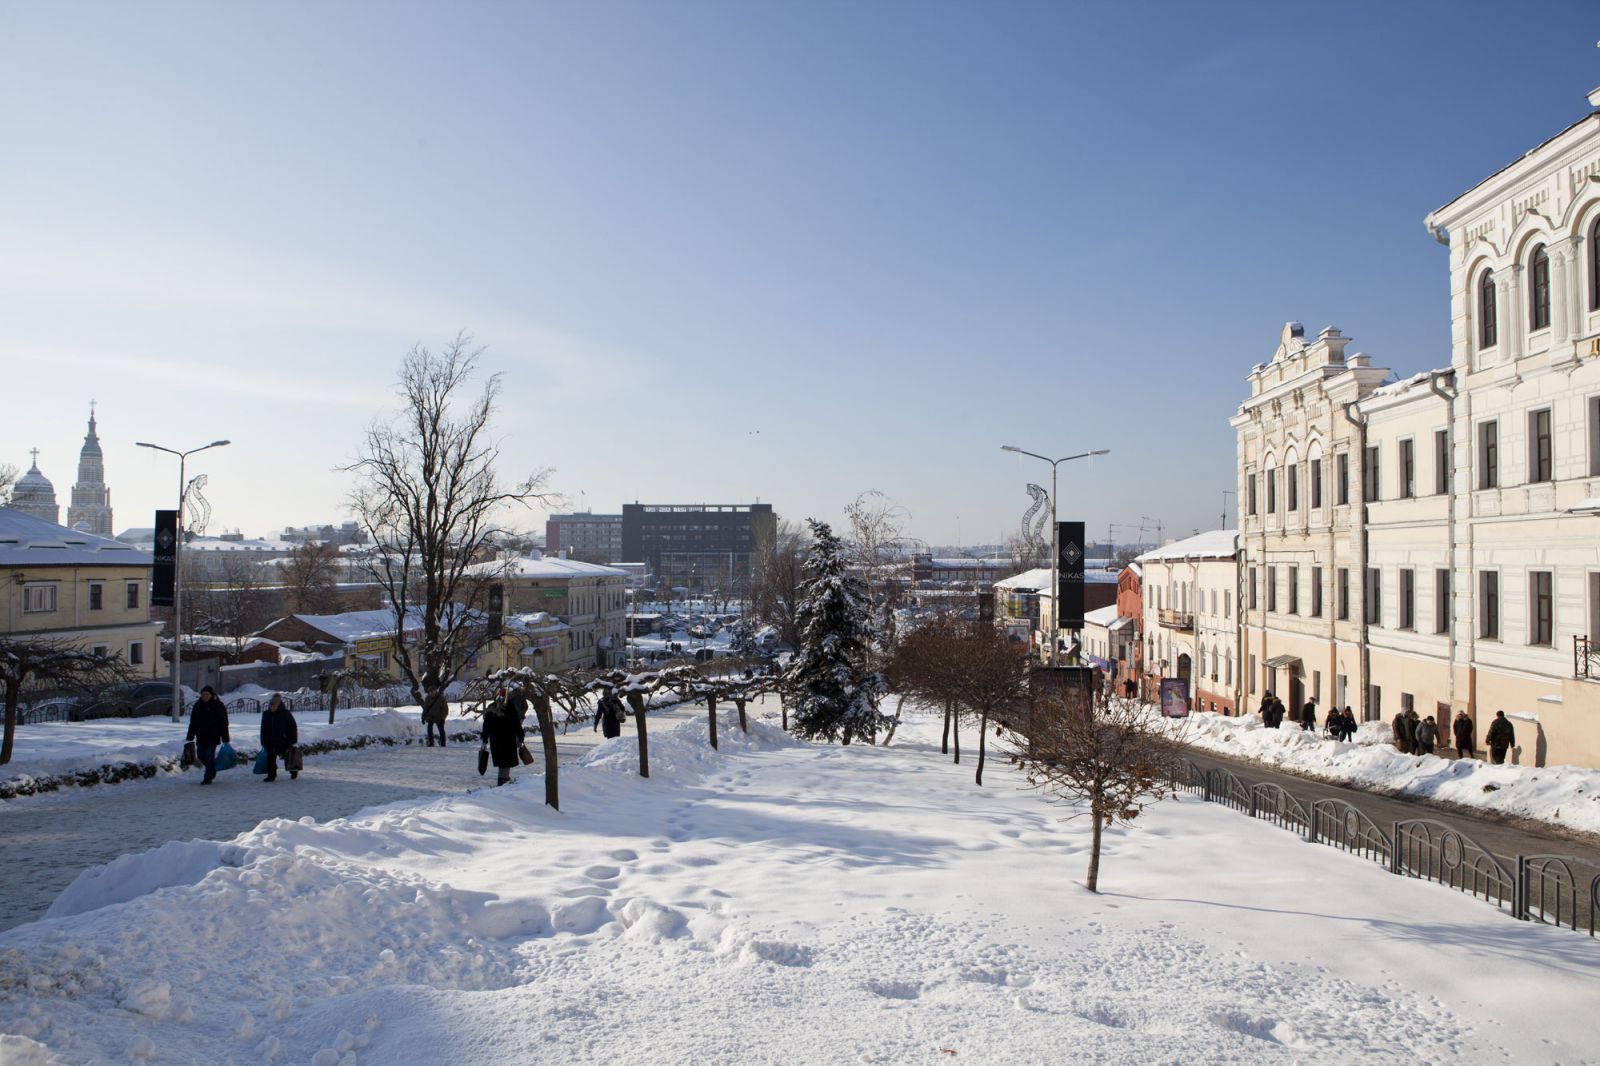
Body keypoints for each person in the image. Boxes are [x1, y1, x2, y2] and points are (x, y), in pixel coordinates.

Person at [186, 685, 230, 785]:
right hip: (201, 736)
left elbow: (224, 722)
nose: (205, 696)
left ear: (211, 695)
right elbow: (193, 721)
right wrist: (190, 735)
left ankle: (208, 777)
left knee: (209, 756)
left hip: (213, 736)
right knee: (201, 755)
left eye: (207, 694)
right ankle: (212, 769)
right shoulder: (198, 705)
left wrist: (225, 738)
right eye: (203, 694)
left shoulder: (218, 705)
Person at [484, 690, 525, 786]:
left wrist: (485, 738)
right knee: (506, 763)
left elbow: (486, 726)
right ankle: (503, 781)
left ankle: (503, 779)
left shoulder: (491, 708)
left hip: (495, 741)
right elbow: (516, 724)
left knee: (502, 762)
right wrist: (520, 736)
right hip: (508, 740)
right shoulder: (510, 708)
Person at [259, 694, 299, 782]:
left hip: (283, 740)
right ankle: (271, 775)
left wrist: (292, 739)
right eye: (271, 706)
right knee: (271, 758)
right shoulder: (266, 714)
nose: (272, 708)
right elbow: (263, 728)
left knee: (288, 757)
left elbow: (292, 727)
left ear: (278, 705)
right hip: (270, 741)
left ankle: (293, 771)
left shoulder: (285, 714)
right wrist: (263, 740)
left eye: (274, 706)